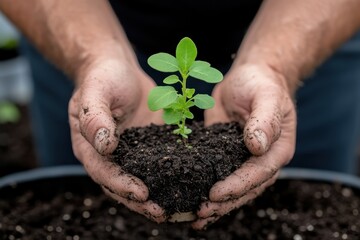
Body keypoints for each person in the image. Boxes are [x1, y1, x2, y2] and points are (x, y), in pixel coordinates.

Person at [1, 0, 360, 229]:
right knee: (81, 198)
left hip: (308, 19)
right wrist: (92, 56)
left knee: (304, 201)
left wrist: (274, 64)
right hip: (76, 19)